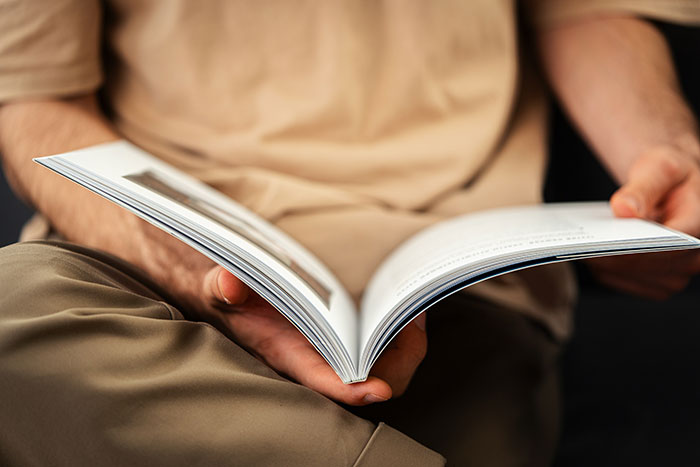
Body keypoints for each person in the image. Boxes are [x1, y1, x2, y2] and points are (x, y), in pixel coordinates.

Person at [1, 1, 699, 465]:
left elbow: (586, 10)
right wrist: (200, 274)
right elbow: (38, 99)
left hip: (458, 281)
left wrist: (663, 159)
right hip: (141, 256)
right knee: (12, 304)